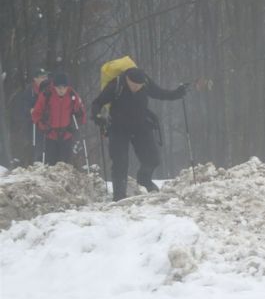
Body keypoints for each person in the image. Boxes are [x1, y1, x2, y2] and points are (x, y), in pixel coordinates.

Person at [90, 67, 187, 201]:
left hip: (140, 126)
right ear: (128, 79)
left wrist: (177, 93)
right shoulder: (116, 85)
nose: (137, 88)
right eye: (134, 85)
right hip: (118, 128)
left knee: (153, 158)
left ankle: (144, 179)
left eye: (139, 86)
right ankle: (119, 195)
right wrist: (98, 116)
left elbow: (160, 93)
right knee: (120, 161)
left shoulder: (145, 82)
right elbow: (97, 102)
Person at [31, 73, 86, 165]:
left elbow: (81, 112)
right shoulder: (46, 95)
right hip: (50, 134)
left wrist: (80, 120)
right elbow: (36, 113)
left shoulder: (72, 95)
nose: (61, 90)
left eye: (64, 87)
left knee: (65, 164)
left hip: (67, 134)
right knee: (51, 164)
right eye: (58, 87)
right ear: (54, 86)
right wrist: (41, 125)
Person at [17, 68, 49, 166]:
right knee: (35, 143)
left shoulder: (49, 89)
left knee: (47, 142)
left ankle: (46, 162)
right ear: (35, 79)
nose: (45, 79)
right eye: (42, 77)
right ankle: (34, 162)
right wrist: (29, 110)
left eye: (46, 77)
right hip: (32, 122)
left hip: (46, 120)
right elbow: (24, 104)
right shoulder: (29, 90)